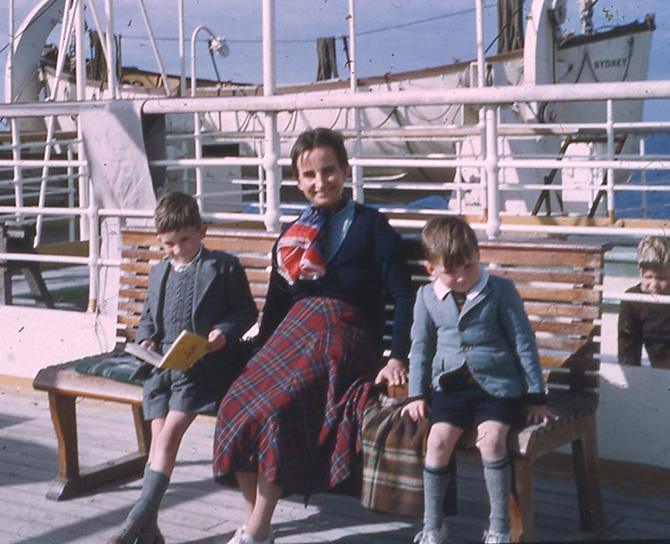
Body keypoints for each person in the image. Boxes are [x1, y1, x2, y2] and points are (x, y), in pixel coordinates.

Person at [212, 128, 413, 544]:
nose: (320, 182)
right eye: (310, 175)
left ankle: (255, 531)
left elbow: (401, 293)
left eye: (329, 171)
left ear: (345, 169)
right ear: (298, 181)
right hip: (294, 334)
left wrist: (398, 355)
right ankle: (256, 527)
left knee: (278, 407)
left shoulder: (373, 227)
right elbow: (276, 305)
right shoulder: (291, 237)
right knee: (238, 401)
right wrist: (257, 355)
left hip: (345, 335)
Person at [109, 191, 258, 544]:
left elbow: (246, 312)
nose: (176, 249)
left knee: (167, 440)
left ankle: (132, 524)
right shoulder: (160, 270)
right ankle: (150, 529)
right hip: (162, 370)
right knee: (159, 444)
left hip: (202, 368)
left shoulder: (222, 267)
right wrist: (145, 340)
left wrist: (224, 330)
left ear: (201, 231)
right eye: (169, 243)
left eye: (184, 240)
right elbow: (148, 318)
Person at [401, 216, 554, 544]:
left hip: (497, 389)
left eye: (469, 266)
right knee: (437, 442)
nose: (462, 277)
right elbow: (421, 348)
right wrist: (416, 394)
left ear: (478, 254)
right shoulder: (426, 298)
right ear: (431, 269)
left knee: (492, 440)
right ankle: (433, 526)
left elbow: (523, 342)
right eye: (451, 272)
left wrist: (535, 396)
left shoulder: (500, 291)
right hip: (451, 388)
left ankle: (499, 528)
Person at [618, 235, 670, 369]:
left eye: (662, 278)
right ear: (640, 271)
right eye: (648, 277)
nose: (654, 284)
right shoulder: (632, 300)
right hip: (660, 375)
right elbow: (628, 350)